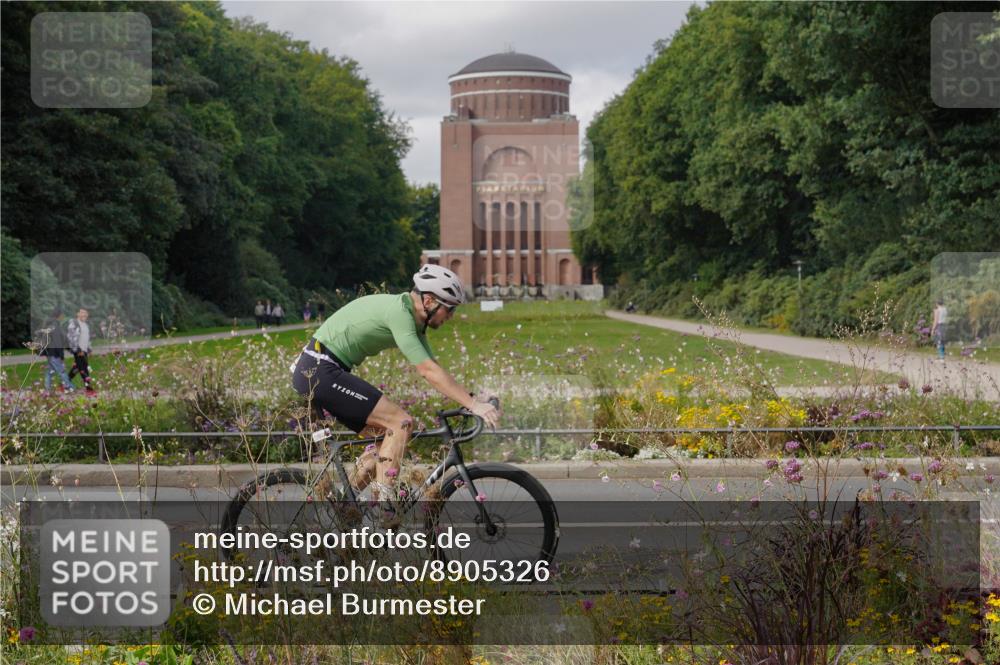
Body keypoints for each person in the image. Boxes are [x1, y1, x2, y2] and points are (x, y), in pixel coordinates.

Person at [290, 264, 499, 500]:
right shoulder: (400, 313)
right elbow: (427, 371)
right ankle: (385, 510)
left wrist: (472, 398)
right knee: (400, 423)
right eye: (449, 309)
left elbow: (435, 368)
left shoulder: (413, 321)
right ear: (429, 301)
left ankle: (344, 506)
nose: (450, 317)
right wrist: (473, 406)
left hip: (323, 369)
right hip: (319, 368)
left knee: (385, 444)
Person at [39, 309, 74, 392]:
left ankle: (47, 388)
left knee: (50, 371)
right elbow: (58, 342)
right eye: (63, 315)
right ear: (60, 316)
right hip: (54, 352)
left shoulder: (51, 325)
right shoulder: (55, 326)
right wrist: (61, 355)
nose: (63, 317)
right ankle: (69, 387)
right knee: (61, 370)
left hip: (50, 352)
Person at [67, 308, 95, 393]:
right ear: (77, 314)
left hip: (84, 350)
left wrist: (89, 349)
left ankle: (65, 382)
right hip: (78, 350)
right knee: (84, 368)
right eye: (82, 313)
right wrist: (78, 350)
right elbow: (71, 338)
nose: (85, 315)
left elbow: (87, 339)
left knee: (77, 368)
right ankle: (89, 388)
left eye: (86, 313)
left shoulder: (85, 325)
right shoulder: (74, 324)